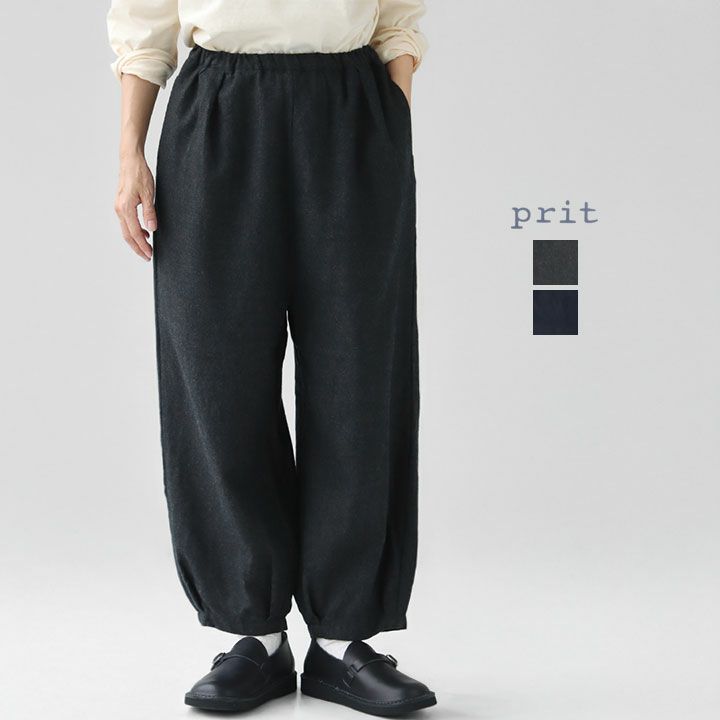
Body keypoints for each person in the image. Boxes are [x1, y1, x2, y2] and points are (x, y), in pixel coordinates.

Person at [107, 1, 433, 715]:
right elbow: (143, 24)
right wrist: (131, 153)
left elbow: (398, 17)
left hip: (351, 109)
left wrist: (390, 123)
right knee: (216, 376)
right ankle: (253, 632)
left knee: (358, 376)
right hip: (218, 111)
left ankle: (342, 639)